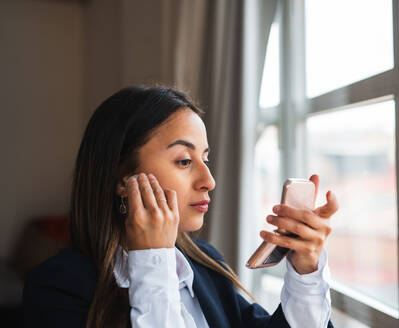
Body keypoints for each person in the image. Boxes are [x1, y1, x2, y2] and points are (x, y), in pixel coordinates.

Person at [22, 86, 338, 328]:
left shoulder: (205, 265)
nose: (209, 180)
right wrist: (152, 263)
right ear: (122, 178)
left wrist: (307, 273)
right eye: (184, 161)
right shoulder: (56, 290)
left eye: (206, 158)